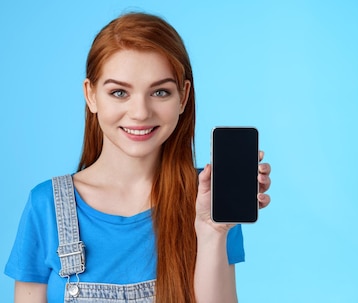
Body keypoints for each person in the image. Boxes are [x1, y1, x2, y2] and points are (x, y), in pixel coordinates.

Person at [4, 12, 271, 303]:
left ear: (183, 97)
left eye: (160, 91)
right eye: (119, 92)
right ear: (91, 95)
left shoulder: (207, 201)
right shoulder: (45, 206)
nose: (141, 112)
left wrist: (211, 233)